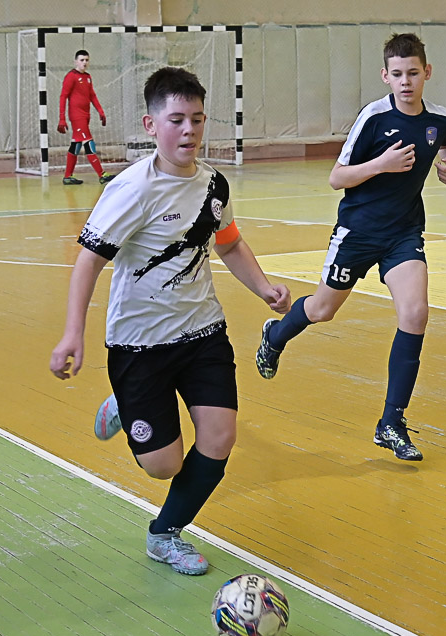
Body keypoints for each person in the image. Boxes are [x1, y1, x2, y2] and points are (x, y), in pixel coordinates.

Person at [49, 67, 291, 575]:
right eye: (177, 119)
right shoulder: (131, 190)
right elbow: (88, 262)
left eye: (197, 119)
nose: (189, 130)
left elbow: (228, 242)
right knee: (164, 465)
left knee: (220, 438)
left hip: (203, 334)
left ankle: (165, 534)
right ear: (151, 125)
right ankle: (125, 400)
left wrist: (264, 287)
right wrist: (73, 333)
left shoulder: (214, 184)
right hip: (139, 346)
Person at [254, 33, 446, 462]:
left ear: (427, 72)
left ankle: (391, 422)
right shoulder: (374, 118)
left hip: (403, 233)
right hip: (358, 232)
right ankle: (275, 335)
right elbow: (337, 178)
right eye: (397, 74)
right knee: (322, 310)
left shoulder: (439, 119)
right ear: (385, 75)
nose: (406, 82)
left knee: (415, 313)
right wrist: (381, 165)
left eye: (413, 73)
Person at [58, 49, 117, 185]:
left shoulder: (88, 77)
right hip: (77, 116)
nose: (84, 63)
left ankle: (67, 176)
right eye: (81, 60)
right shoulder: (71, 76)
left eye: (86, 60)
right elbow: (63, 96)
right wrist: (62, 118)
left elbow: (92, 95)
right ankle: (102, 174)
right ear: (75, 62)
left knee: (76, 144)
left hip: (86, 116)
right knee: (89, 143)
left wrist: (100, 111)